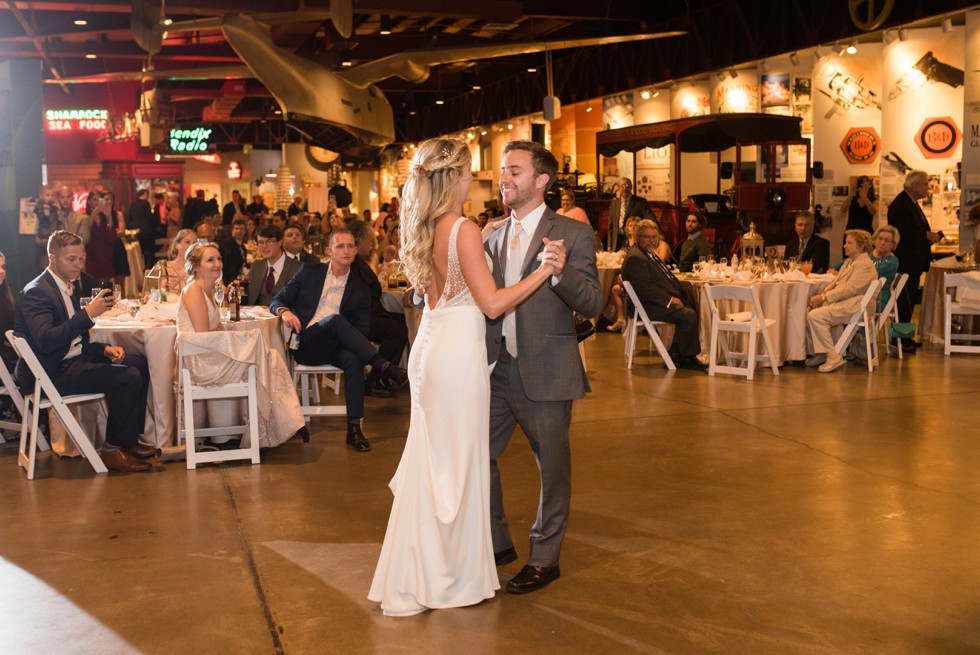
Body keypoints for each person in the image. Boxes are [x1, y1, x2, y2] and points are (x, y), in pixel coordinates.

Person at [369, 138, 568, 616]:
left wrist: (484, 236)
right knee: (456, 470)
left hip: (431, 349)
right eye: (468, 173)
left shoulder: (427, 226)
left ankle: (417, 572)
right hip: (458, 356)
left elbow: (435, 285)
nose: (476, 179)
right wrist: (544, 269)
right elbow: (493, 303)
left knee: (433, 466)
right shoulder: (463, 230)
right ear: (453, 178)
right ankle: (450, 578)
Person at [483, 140, 602, 595]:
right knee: (476, 454)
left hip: (548, 369)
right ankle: (497, 543)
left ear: (541, 180)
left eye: (514, 170)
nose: (504, 178)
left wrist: (560, 272)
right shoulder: (491, 234)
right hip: (497, 370)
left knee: (552, 470)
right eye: (502, 170)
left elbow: (592, 303)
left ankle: (545, 558)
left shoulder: (571, 234)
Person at [14, 231, 153, 472]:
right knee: (127, 377)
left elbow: (76, 341)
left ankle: (128, 442)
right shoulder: (37, 291)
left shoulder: (66, 286)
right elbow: (47, 341)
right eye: (71, 259)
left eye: (81, 258)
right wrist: (88, 314)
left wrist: (105, 349)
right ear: (52, 258)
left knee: (139, 362)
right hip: (49, 373)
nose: (79, 265)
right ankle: (111, 450)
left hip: (69, 362)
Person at [270, 230, 406, 453]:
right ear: (329, 251)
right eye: (340, 246)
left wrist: (347, 340)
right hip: (307, 343)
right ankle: (382, 365)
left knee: (353, 359)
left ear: (355, 250)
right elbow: (278, 299)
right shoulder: (310, 272)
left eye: (351, 246)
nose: (346, 250)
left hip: (338, 346)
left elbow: (361, 331)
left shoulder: (360, 288)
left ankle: (354, 429)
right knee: (333, 320)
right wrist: (285, 312)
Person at [176, 242, 307, 447]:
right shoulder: (193, 290)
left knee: (270, 357)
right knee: (267, 356)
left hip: (209, 356)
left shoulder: (208, 290)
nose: (217, 264)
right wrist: (246, 339)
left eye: (218, 259)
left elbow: (214, 331)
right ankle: (282, 425)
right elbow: (203, 337)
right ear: (196, 266)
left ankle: (282, 425)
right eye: (210, 260)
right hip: (200, 362)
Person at [621, 219, 705, 370]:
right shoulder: (635, 257)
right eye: (647, 237)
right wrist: (670, 299)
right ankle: (680, 356)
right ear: (638, 237)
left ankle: (681, 353)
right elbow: (645, 289)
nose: (652, 241)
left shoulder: (646, 253)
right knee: (688, 315)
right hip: (646, 306)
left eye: (654, 237)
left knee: (693, 305)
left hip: (651, 302)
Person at [805, 229, 878, 372]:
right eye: (846, 242)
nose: (845, 246)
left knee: (816, 316)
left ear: (861, 246)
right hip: (847, 303)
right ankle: (822, 353)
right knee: (810, 309)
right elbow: (835, 283)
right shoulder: (849, 262)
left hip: (857, 307)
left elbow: (850, 289)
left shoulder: (865, 266)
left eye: (849, 243)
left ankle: (833, 357)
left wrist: (824, 297)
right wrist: (823, 294)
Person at [349, 222, 408, 396]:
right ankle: (376, 379)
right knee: (398, 330)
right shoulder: (352, 263)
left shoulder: (359, 261)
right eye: (370, 239)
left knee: (402, 321)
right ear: (360, 240)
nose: (373, 244)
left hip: (371, 311)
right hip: (361, 317)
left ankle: (390, 375)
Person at [888, 170, 940, 349]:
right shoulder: (901, 204)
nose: (928, 187)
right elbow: (900, 232)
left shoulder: (911, 203)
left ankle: (904, 338)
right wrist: (925, 235)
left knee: (908, 302)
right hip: (907, 261)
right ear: (915, 185)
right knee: (904, 301)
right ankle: (899, 339)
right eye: (926, 184)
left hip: (913, 261)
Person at [832, 225, 899, 313]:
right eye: (880, 238)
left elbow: (867, 273)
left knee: (842, 302)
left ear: (893, 244)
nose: (882, 242)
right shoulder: (867, 254)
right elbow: (841, 264)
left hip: (878, 298)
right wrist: (835, 270)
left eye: (887, 241)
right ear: (875, 239)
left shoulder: (892, 261)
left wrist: (844, 273)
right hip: (859, 294)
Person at [246, 225, 301, 306]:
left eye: (269, 241)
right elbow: (248, 297)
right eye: (260, 242)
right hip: (257, 315)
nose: (264, 246)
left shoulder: (298, 268)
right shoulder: (256, 266)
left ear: (280, 242)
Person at [606, 178, 653, 251]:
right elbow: (610, 226)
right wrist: (609, 245)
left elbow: (650, 218)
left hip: (632, 240)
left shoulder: (640, 202)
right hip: (617, 241)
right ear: (618, 188)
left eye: (627, 185)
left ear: (631, 187)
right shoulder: (614, 203)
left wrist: (658, 234)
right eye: (622, 186)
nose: (625, 188)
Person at [84, 192, 116, 283]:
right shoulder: (84, 215)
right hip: (91, 253)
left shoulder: (104, 216)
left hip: (104, 252)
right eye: (94, 200)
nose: (97, 202)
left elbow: (111, 233)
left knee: (104, 282)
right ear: (89, 202)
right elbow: (86, 230)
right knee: (91, 281)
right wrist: (93, 214)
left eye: (99, 200)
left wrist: (109, 216)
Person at [128, 188, 155, 265]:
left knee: (139, 251)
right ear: (144, 194)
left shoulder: (133, 204)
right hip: (146, 230)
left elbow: (130, 217)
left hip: (136, 230)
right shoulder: (145, 203)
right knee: (149, 251)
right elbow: (149, 216)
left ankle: (140, 266)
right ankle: (148, 268)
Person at [219, 219, 248, 285]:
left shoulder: (242, 247)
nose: (239, 231)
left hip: (239, 277)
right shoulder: (226, 245)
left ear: (245, 231)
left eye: (241, 229)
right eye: (236, 228)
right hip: (230, 280)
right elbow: (228, 267)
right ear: (232, 230)